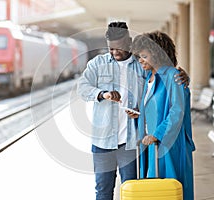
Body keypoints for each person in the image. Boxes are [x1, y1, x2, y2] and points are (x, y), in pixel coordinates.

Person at [77, 22, 189, 200]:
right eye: (111, 48)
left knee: (132, 190)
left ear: (129, 42)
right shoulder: (98, 64)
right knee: (102, 190)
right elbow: (82, 87)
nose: (115, 52)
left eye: (119, 47)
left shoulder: (142, 65)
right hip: (102, 141)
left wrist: (182, 75)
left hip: (130, 143)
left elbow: (161, 77)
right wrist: (102, 94)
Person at [131, 31, 196, 200]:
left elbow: (177, 111)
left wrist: (157, 134)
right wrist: (138, 116)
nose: (140, 60)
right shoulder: (149, 78)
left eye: (144, 56)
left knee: (171, 189)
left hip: (168, 142)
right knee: (157, 190)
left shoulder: (173, 75)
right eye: (139, 56)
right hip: (152, 143)